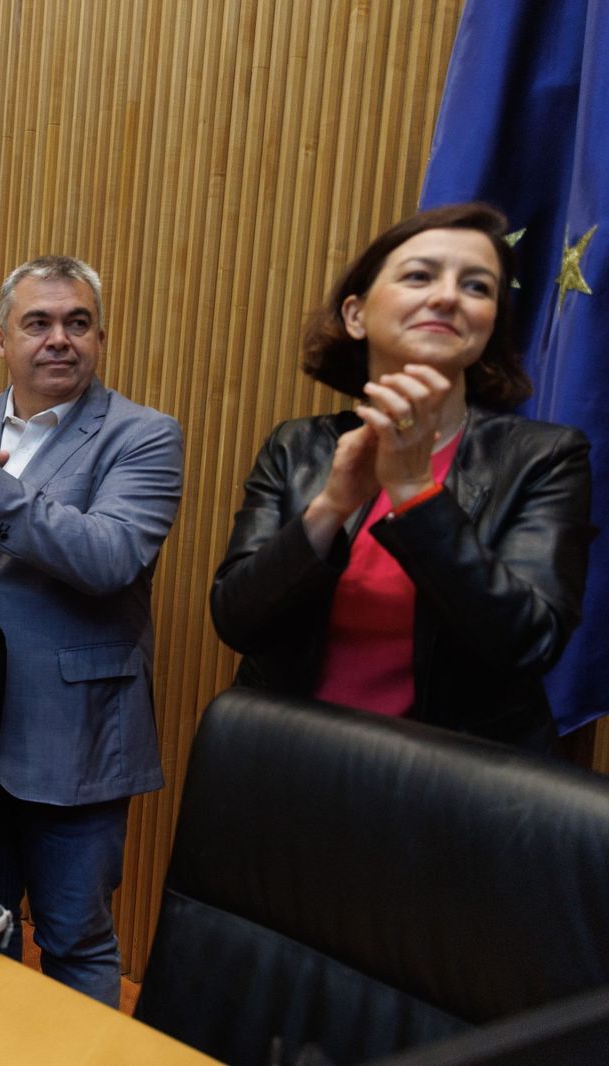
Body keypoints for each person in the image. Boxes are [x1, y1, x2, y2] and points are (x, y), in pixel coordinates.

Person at [0, 255, 183, 1004]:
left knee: (74, 938)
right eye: (38, 323)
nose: (59, 339)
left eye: (77, 323)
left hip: (71, 735)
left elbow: (110, 557)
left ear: (100, 338)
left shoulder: (143, 436)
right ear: (0, 339)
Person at [210, 202, 592, 750]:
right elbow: (238, 620)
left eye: (478, 287)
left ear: (489, 327)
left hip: (458, 787)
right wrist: (333, 505)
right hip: (288, 768)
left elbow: (526, 643)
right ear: (356, 315)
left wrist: (415, 493)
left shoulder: (544, 457)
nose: (446, 297)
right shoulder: (297, 446)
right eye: (419, 276)